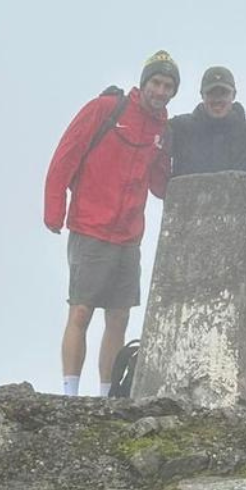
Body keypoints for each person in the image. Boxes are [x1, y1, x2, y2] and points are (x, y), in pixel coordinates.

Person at [44, 52, 176, 396]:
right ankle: (70, 393)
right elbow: (66, 154)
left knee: (119, 317)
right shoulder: (106, 108)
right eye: (157, 83)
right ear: (144, 82)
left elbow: (161, 184)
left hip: (129, 237)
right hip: (90, 226)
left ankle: (108, 396)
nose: (161, 91)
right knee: (82, 310)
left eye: (168, 86)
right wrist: (54, 208)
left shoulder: (164, 128)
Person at [167, 65, 246, 178]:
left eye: (224, 93)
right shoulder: (179, 129)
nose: (217, 99)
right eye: (211, 93)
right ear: (201, 95)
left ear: (234, 95)